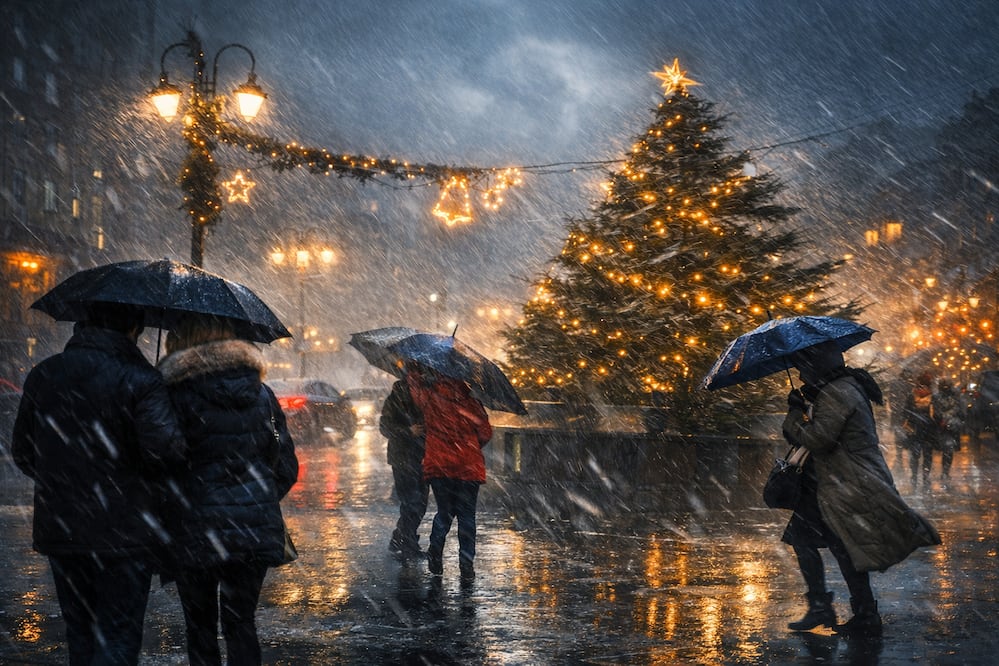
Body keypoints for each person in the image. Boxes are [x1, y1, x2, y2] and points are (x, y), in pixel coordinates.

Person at [11, 303, 187, 665]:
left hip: (64, 529)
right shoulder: (141, 378)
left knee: (81, 634)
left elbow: (24, 452)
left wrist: (66, 482)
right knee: (118, 635)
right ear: (135, 328)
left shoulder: (45, 373)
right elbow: (165, 453)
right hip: (126, 532)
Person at [157, 314, 298, 666]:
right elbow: (286, 467)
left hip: (195, 528)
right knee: (241, 623)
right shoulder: (262, 394)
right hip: (252, 528)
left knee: (200, 626)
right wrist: (256, 498)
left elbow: (162, 460)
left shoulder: (173, 394)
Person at [781, 341, 940, 636]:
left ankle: (844, 611)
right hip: (833, 484)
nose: (800, 376)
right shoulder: (836, 390)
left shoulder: (838, 392)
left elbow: (818, 440)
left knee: (832, 545)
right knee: (824, 543)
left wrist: (794, 415)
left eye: (803, 368)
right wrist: (807, 406)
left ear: (817, 367)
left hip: (845, 484)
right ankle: (849, 611)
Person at [406, 364, 492, 583]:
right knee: (466, 516)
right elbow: (485, 433)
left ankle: (435, 551)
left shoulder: (430, 399)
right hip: (468, 468)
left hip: (440, 466)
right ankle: (466, 564)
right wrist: (470, 447)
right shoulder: (472, 404)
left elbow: (414, 391)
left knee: (444, 512)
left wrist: (415, 374)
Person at [380, 367, 428, 562]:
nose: (420, 375)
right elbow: (385, 427)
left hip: (424, 456)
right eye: (416, 371)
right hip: (402, 457)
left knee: (421, 503)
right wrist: (408, 431)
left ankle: (398, 538)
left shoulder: (430, 393)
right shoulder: (397, 396)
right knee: (412, 502)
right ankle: (409, 544)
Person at [901, 372, 936, 488]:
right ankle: (921, 477)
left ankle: (917, 476)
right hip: (924, 431)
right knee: (924, 456)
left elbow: (905, 412)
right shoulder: (931, 398)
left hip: (918, 430)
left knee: (918, 455)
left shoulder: (912, 397)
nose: (921, 390)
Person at [931, 378, 963, 481]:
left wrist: (946, 418)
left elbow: (957, 409)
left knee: (948, 450)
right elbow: (936, 410)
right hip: (942, 426)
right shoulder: (937, 397)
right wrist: (942, 418)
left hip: (950, 426)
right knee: (947, 450)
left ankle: (945, 472)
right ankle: (944, 472)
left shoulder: (953, 396)